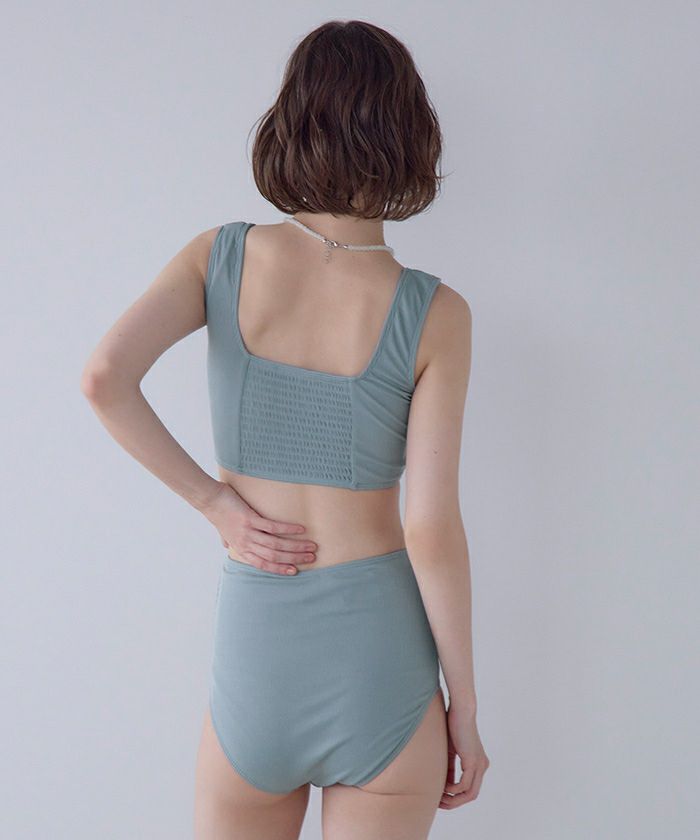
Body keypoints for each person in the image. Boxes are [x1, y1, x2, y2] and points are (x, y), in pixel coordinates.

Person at [80, 18, 489, 840]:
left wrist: (215, 505)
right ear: (409, 134)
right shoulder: (437, 314)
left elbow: (104, 378)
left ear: (291, 124)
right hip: (381, 661)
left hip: (258, 652)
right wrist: (465, 708)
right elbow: (429, 528)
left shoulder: (219, 258)